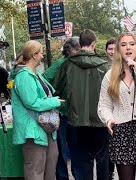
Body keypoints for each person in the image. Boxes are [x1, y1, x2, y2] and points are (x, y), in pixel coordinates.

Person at [97, 32, 136, 180]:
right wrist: (108, 118)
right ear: (119, 49)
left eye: (132, 44)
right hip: (122, 132)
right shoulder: (110, 75)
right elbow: (103, 105)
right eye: (123, 44)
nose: (128, 48)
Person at [53, 29, 109, 180]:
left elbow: (55, 89)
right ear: (93, 44)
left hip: (75, 121)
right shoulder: (104, 66)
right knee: (103, 162)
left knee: (80, 164)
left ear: (80, 44)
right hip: (101, 122)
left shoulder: (67, 65)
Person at [11, 40, 63, 180]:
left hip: (47, 129)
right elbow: (32, 103)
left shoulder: (36, 75)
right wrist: (54, 102)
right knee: (35, 171)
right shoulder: (24, 76)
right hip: (33, 132)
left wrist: (54, 100)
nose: (42, 56)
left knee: (50, 171)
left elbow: (44, 96)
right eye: (41, 53)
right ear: (34, 55)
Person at [43, 37, 80, 180]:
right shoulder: (61, 63)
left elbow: (44, 79)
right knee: (67, 147)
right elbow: (44, 79)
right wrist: (54, 97)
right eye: (77, 49)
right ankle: (70, 176)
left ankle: (67, 176)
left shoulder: (63, 63)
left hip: (68, 111)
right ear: (70, 50)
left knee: (66, 147)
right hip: (65, 111)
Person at [104, 38, 116, 180]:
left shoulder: (123, 65)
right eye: (109, 49)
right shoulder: (103, 67)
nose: (112, 52)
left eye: (114, 49)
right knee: (107, 145)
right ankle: (109, 172)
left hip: (119, 111)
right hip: (107, 112)